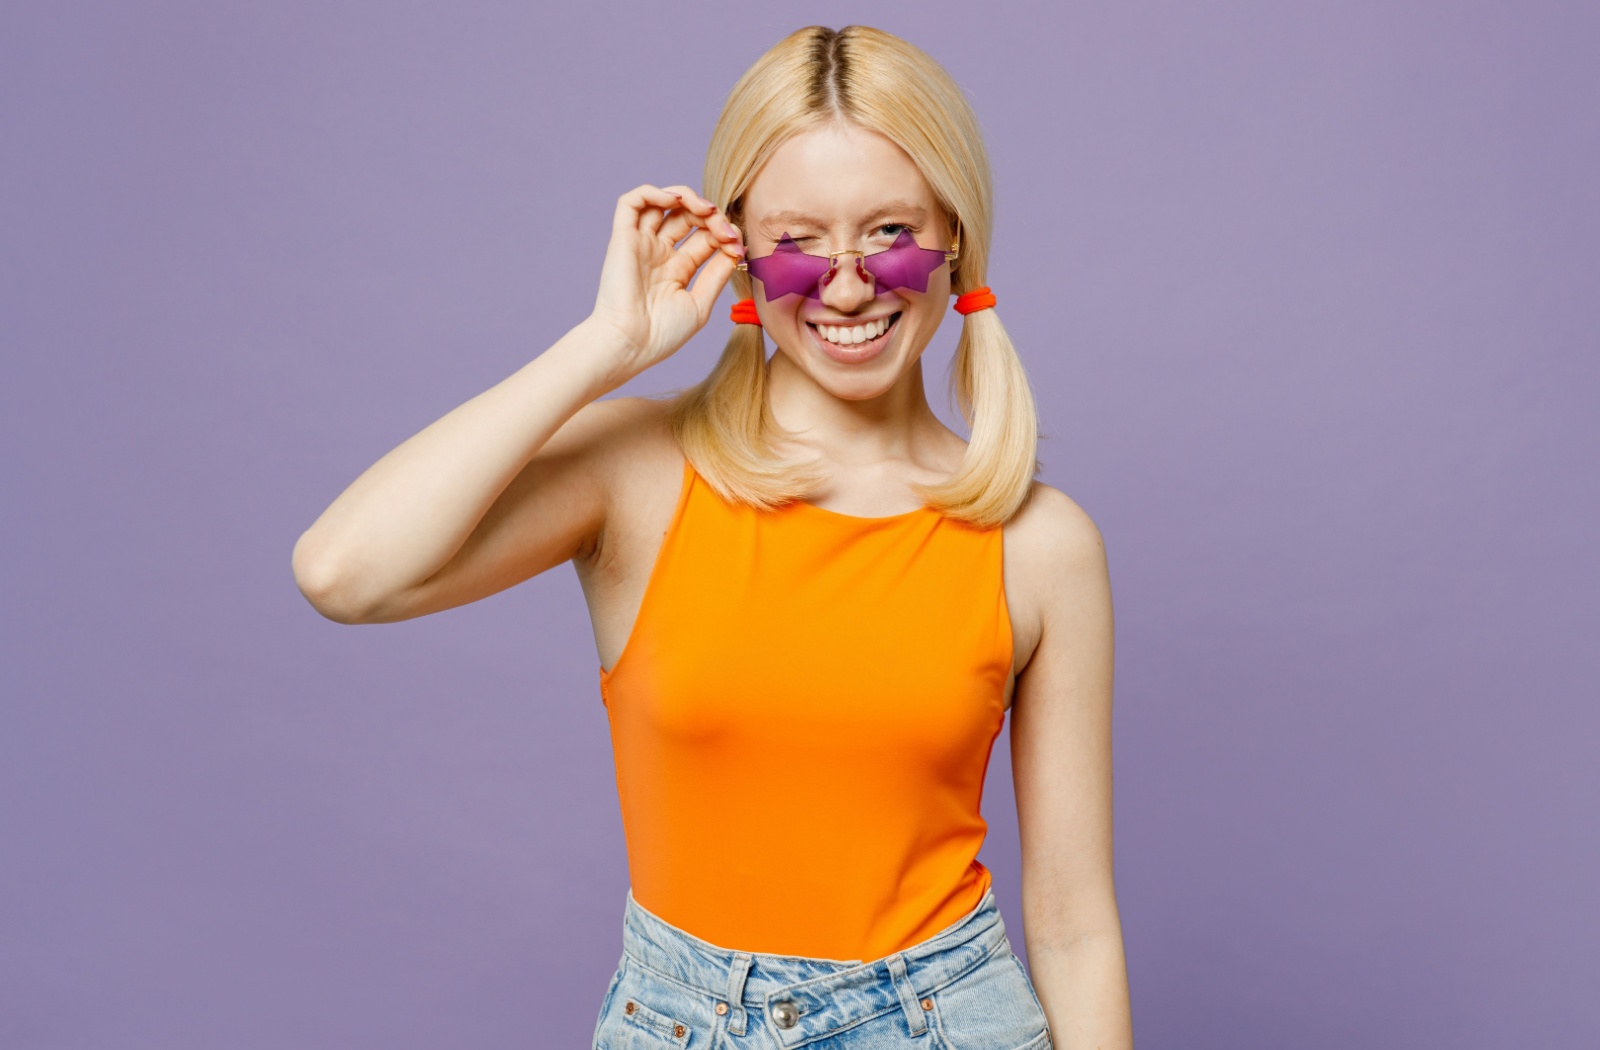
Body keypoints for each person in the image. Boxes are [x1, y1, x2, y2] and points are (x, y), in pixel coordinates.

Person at [292, 23, 1131, 1050]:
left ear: (955, 235)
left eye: (888, 232)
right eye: (796, 241)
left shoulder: (1039, 542)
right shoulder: (639, 472)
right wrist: (603, 348)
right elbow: (344, 572)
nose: (850, 283)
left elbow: (1075, 923)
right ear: (736, 249)